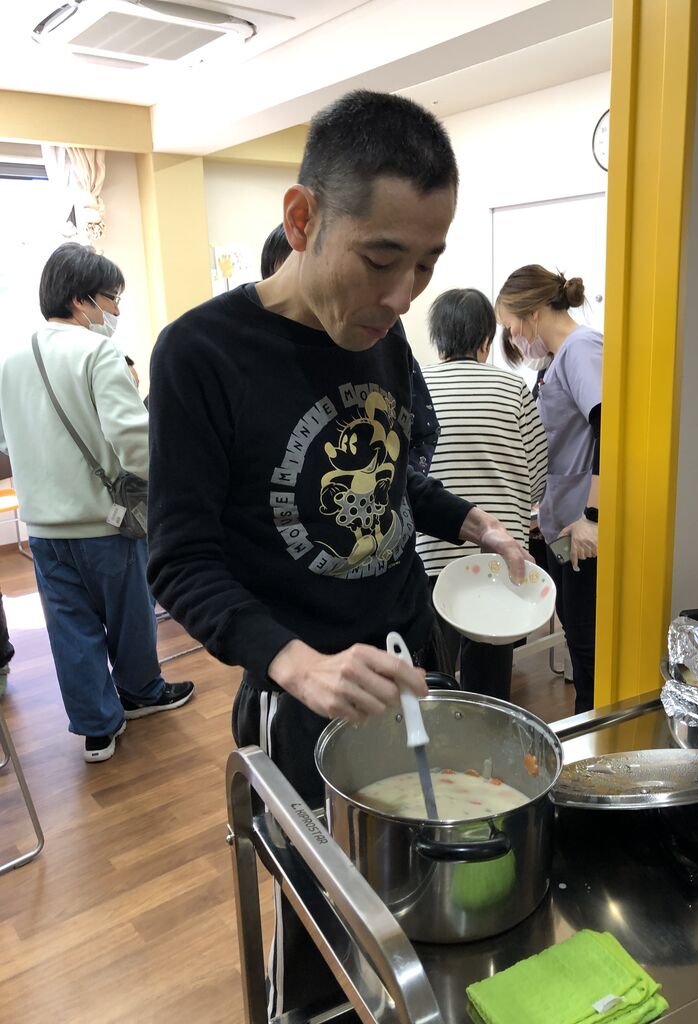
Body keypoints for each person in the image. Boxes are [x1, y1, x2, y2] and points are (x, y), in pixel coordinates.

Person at [148, 89, 530, 1016]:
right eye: (382, 259)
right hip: (303, 699)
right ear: (302, 218)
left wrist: (469, 520)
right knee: (327, 927)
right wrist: (296, 664)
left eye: (427, 265)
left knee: (433, 897)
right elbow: (181, 560)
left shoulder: (383, 337)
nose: (402, 296)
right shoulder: (201, 354)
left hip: (410, 661)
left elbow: (392, 478)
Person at [0, 243, 194, 762]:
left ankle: (96, 730)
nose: (115, 310)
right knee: (130, 617)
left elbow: (6, 445)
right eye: (112, 298)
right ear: (81, 299)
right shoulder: (97, 352)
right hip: (105, 524)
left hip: (42, 528)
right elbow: (133, 442)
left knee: (70, 628)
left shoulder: (10, 361)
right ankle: (141, 694)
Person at [417, 288, 548, 698]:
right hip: (499, 560)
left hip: (429, 556)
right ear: (486, 341)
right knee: (488, 684)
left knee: (432, 681)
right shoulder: (514, 389)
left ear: (437, 340)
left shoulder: (417, 385)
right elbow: (538, 477)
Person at [496, 264, 602, 713]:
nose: (514, 337)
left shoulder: (581, 349)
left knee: (588, 651)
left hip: (584, 530)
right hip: (562, 525)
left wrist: (592, 516)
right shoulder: (559, 361)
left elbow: (610, 428)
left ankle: (595, 744)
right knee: (579, 641)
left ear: (534, 314)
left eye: (512, 327)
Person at [261, 221, 441, 475]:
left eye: (424, 266)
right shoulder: (255, 359)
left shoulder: (384, 333)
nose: (402, 302)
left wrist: (400, 484)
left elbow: (422, 427)